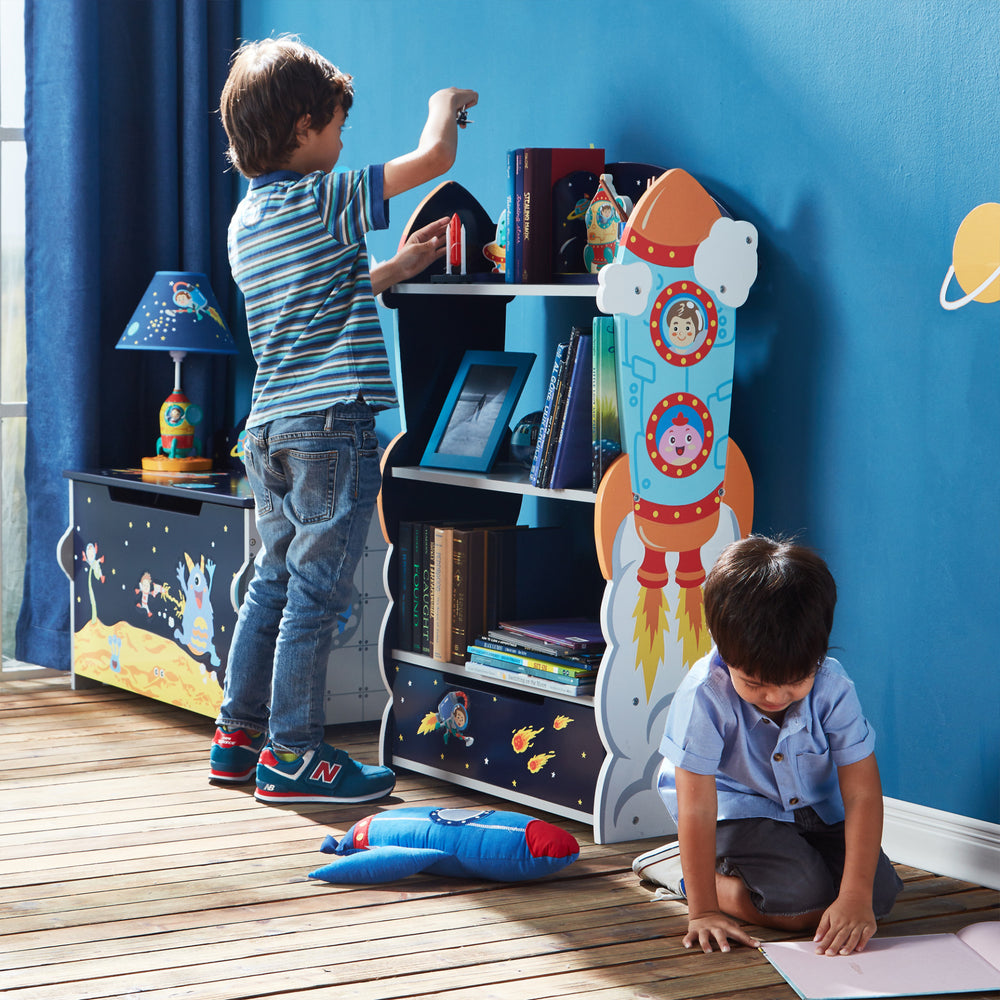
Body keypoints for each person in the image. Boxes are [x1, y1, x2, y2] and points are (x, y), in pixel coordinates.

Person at [209, 35, 477, 805]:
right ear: (301, 128)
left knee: (273, 581)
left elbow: (317, 292)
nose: (340, 140)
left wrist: (391, 270)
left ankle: (240, 736)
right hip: (332, 427)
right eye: (334, 125)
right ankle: (293, 753)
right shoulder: (326, 196)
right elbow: (433, 161)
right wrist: (443, 107)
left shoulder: (247, 222)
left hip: (270, 432)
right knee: (317, 594)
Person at [633, 535, 903, 955]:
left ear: (818, 652)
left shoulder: (833, 685)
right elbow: (698, 806)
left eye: (795, 682)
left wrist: (855, 897)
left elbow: (862, 792)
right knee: (800, 904)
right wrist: (702, 911)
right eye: (754, 683)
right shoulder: (705, 695)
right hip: (736, 810)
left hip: (813, 808)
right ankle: (679, 871)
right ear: (723, 649)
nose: (775, 698)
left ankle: (799, 876)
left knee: (877, 896)